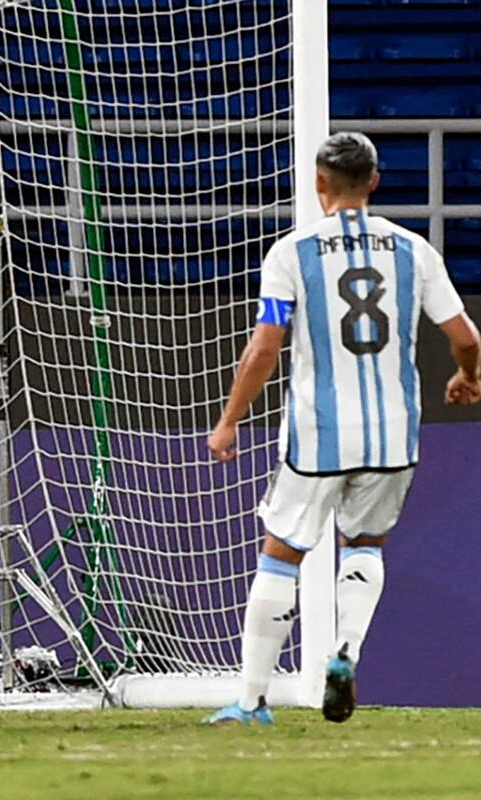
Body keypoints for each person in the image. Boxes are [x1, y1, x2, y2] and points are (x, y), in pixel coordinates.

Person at [203, 132, 481, 725]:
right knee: (364, 545)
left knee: (282, 552)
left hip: (319, 431)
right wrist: (467, 375)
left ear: (318, 182)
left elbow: (265, 347)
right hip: (393, 433)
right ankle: (346, 651)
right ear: (375, 182)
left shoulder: (292, 252)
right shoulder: (413, 250)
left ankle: (251, 701)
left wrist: (229, 421)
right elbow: (465, 337)